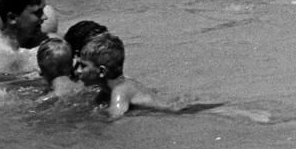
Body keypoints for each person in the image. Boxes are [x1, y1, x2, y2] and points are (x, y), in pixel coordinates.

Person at [73, 32, 266, 121]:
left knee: (210, 112)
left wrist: (90, 119)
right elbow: (99, 102)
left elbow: (114, 117)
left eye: (83, 66)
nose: (78, 70)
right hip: (169, 103)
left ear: (102, 71)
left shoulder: (119, 92)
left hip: (174, 109)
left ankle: (246, 113)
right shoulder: (113, 87)